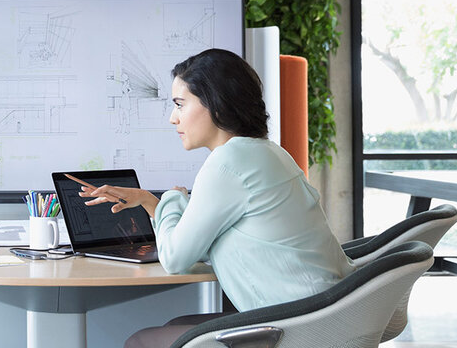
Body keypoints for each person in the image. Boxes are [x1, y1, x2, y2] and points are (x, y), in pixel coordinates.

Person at [79, 48, 352, 348]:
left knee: (141, 342)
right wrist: (149, 201)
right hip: (323, 315)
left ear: (216, 105)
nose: (173, 118)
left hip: (294, 327)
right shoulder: (266, 152)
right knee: (176, 327)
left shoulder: (228, 163)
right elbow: (215, 235)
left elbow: (175, 259)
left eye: (180, 105)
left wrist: (169, 199)